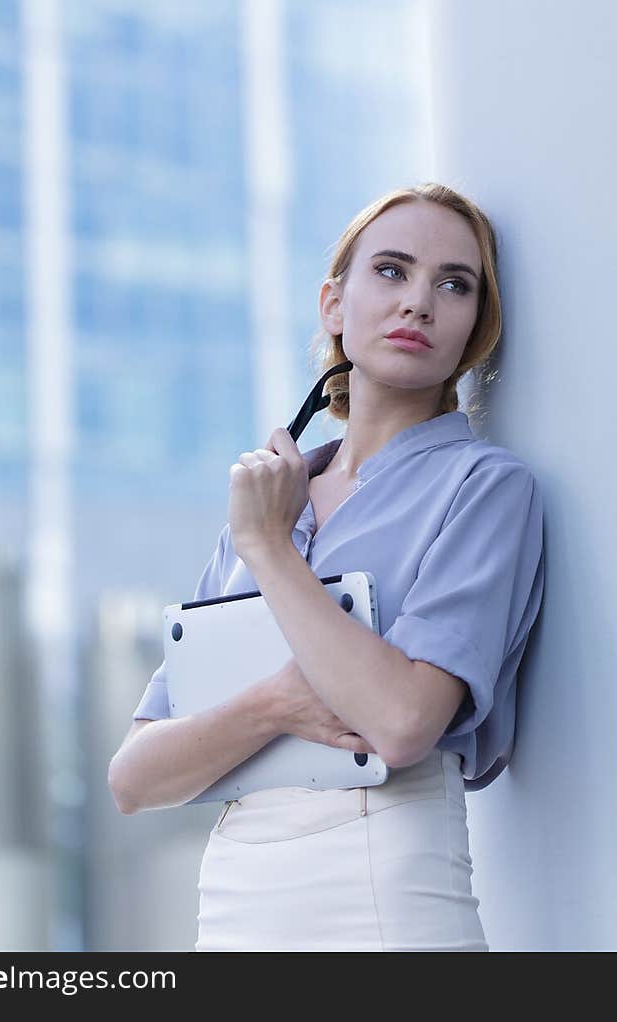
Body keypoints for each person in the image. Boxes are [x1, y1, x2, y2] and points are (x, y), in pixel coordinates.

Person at [109, 182, 545, 952]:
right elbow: (136, 777)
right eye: (391, 270)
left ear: (476, 329)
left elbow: (404, 722)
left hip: (388, 890)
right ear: (332, 305)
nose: (418, 302)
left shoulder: (483, 490)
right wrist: (275, 707)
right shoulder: (266, 504)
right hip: (238, 902)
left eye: (454, 284)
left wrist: (273, 553)